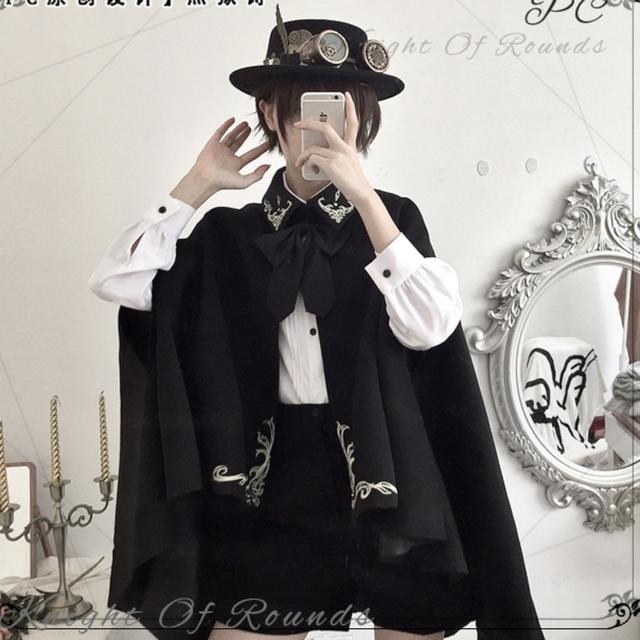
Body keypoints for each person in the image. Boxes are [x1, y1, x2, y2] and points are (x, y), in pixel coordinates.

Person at [89, 10, 546, 640]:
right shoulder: (229, 234)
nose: (319, 126)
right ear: (270, 113)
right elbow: (118, 281)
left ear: (361, 118)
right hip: (272, 483)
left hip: (390, 473)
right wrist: (199, 183)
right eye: (301, 107)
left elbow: (432, 327)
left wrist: (364, 198)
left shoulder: (392, 221)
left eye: (336, 109)